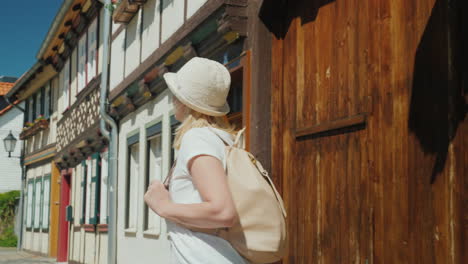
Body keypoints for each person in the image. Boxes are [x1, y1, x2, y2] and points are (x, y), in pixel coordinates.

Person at [144, 57, 249, 264]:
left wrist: (163, 206)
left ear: (186, 100)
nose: (172, 98)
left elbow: (222, 211)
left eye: (175, 93)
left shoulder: (197, 137)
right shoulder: (224, 139)